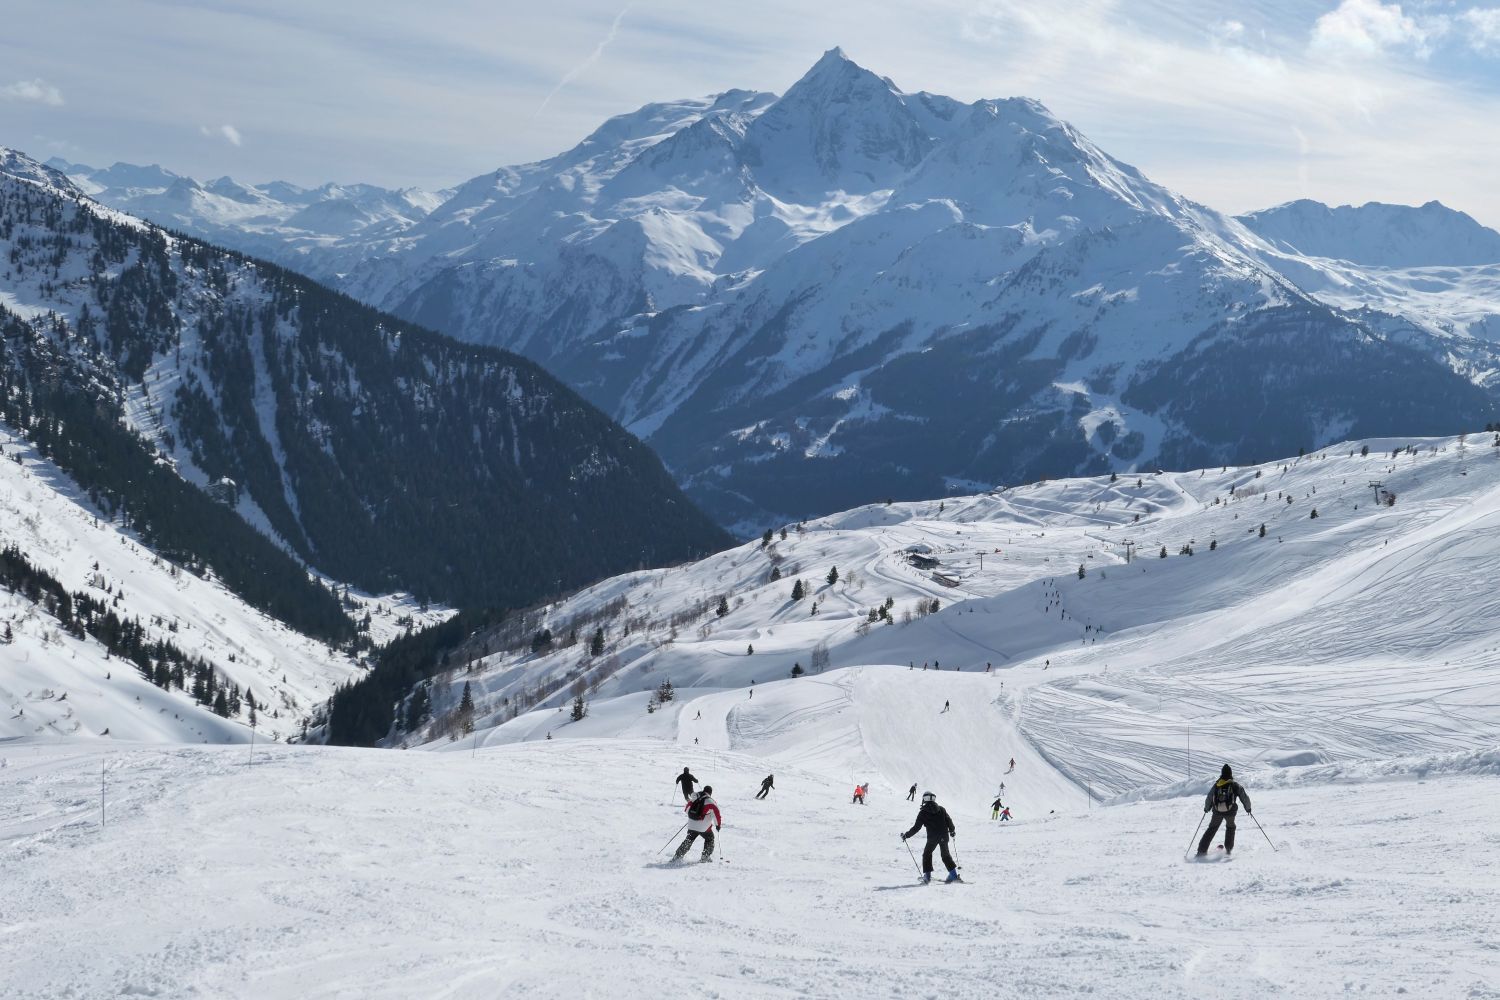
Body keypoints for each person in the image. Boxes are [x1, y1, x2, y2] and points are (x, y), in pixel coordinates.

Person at [902, 792, 959, 883]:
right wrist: (952, 831)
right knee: (945, 855)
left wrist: (906, 835)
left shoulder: (923, 812)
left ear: (925, 799)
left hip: (932, 837)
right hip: (944, 836)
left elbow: (916, 827)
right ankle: (953, 875)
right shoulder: (941, 809)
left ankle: (927, 877)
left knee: (927, 854)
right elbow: (949, 821)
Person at [1197, 764, 1252, 856]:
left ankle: (1202, 850)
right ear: (1230, 773)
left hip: (1217, 812)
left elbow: (1209, 797)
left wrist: (1207, 808)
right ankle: (1229, 848)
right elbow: (1244, 797)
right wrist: (1248, 808)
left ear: (1222, 773)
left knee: (1212, 829)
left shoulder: (1217, 784)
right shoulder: (1234, 785)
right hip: (1230, 812)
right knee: (1230, 827)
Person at [673, 786, 721, 863]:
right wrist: (718, 825)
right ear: (710, 793)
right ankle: (705, 857)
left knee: (689, 839)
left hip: (691, 825)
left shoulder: (695, 798)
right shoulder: (710, 801)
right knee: (710, 838)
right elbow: (716, 814)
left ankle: (677, 856)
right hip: (704, 827)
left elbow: (686, 810)